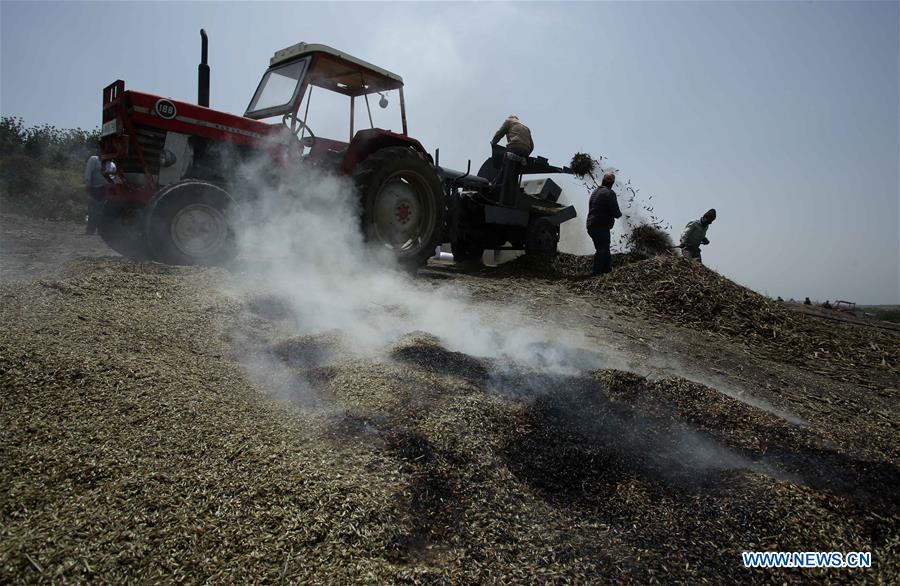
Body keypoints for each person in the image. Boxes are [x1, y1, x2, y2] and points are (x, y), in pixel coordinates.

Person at [586, 171, 621, 275]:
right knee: (602, 250)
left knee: (605, 248)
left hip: (591, 225)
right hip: (600, 226)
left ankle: (607, 271)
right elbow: (616, 212)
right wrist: (621, 215)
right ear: (612, 183)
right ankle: (596, 274)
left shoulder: (595, 192)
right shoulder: (609, 193)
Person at [83, 148, 109, 235]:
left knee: (101, 210)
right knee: (92, 210)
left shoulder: (111, 163)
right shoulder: (94, 159)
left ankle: (100, 230)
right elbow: (88, 172)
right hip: (95, 188)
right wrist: (88, 183)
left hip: (105, 189)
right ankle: (90, 229)